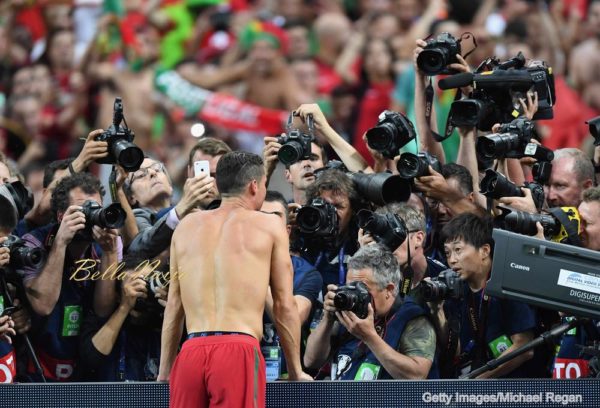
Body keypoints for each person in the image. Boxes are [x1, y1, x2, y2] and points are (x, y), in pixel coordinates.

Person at [158, 151, 311, 408]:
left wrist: (165, 371)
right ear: (254, 186)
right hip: (237, 352)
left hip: (190, 353)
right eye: (264, 184)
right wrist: (296, 370)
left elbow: (174, 305)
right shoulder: (270, 226)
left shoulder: (185, 227)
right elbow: (284, 305)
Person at [304, 244, 437, 380]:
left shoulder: (414, 318)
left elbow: (417, 376)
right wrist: (327, 319)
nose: (355, 295)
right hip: (344, 399)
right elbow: (311, 361)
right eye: (351, 287)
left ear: (389, 289)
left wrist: (369, 337)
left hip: (389, 400)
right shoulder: (348, 311)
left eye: (362, 288)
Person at [434, 213, 537, 378]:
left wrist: (479, 379)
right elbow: (457, 349)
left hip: (518, 391)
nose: (452, 260)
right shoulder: (459, 290)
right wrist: (437, 310)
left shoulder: (507, 283)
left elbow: (524, 347)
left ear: (484, 250)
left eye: (458, 250)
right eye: (447, 253)